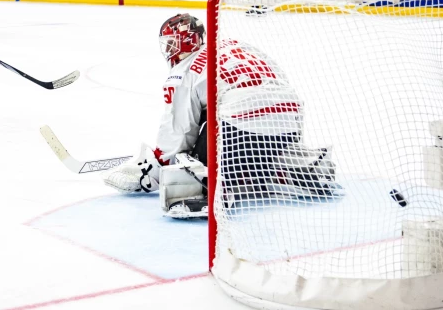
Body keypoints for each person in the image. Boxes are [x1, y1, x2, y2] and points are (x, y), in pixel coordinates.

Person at [102, 14, 340, 218]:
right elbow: (280, 79)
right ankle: (298, 165)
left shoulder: (185, 71)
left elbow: (178, 132)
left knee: (197, 143)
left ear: (186, 41)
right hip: (288, 122)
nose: (169, 50)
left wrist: (152, 171)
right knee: (224, 112)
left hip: (241, 130)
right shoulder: (235, 44)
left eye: (171, 43)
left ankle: (210, 187)